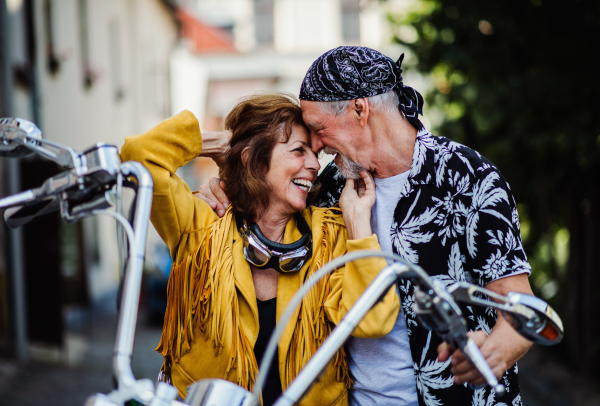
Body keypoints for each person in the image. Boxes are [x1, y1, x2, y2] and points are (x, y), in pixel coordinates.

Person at [198, 47, 535, 406]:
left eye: (317, 128)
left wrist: (496, 351)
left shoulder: (465, 175)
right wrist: (222, 184)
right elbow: (264, 205)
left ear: (360, 110)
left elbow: (520, 308)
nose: (314, 146)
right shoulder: (323, 189)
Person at [120, 93, 399, 406]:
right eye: (298, 151)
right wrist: (220, 142)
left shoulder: (330, 233)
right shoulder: (200, 225)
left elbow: (374, 320)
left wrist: (359, 222)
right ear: (253, 158)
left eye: (313, 154)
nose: (313, 164)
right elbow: (138, 155)